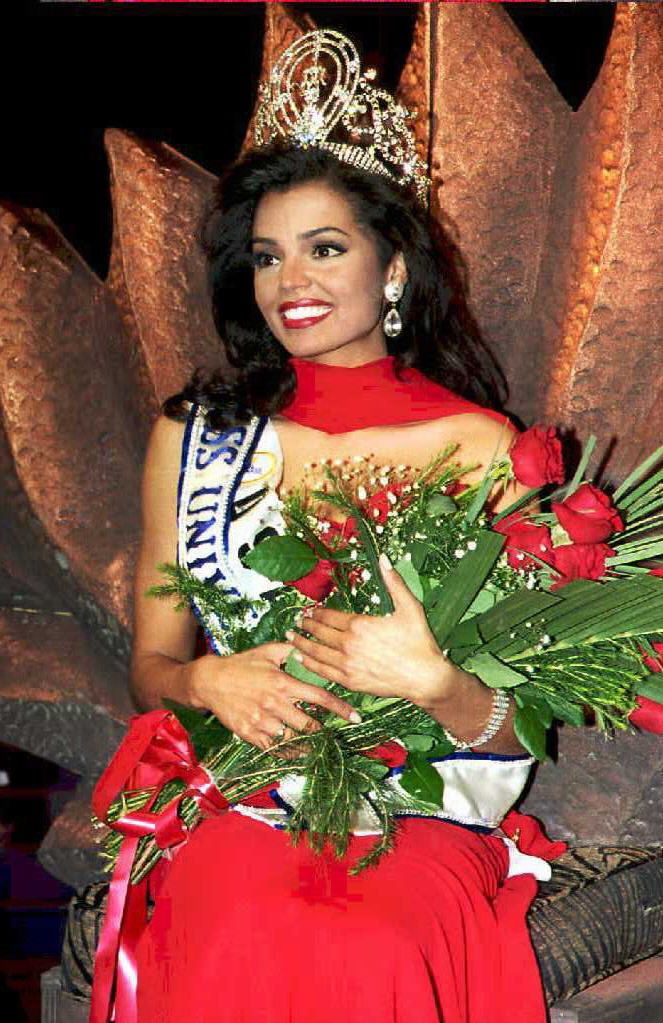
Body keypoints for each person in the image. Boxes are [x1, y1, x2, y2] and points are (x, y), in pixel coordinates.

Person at [96, 29, 566, 1023]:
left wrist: (431, 680)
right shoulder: (195, 439)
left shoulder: (480, 448)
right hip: (246, 798)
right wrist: (199, 680)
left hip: (425, 806)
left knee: (371, 939)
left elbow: (516, 720)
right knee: (235, 922)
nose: (289, 283)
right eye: (267, 257)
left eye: (325, 248)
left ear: (393, 269)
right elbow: (151, 665)